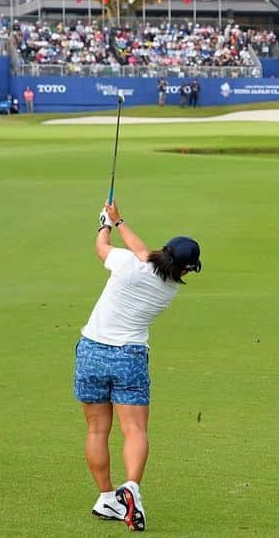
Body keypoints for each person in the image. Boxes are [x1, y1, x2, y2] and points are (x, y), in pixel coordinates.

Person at [75, 200, 202, 532]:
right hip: (129, 357)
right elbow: (142, 251)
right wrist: (119, 222)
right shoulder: (169, 288)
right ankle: (131, 486)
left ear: (165, 251)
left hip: (92, 350)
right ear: (185, 270)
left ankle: (106, 497)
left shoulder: (129, 264)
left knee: (96, 430)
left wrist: (105, 224)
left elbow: (103, 249)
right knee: (135, 430)